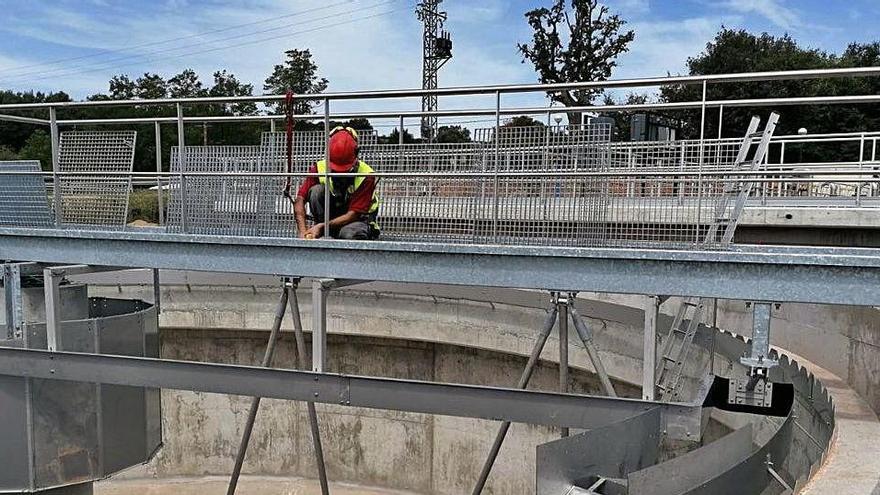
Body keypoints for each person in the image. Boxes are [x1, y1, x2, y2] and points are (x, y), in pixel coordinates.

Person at [294, 126, 380, 240]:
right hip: (329, 222)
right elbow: (300, 200)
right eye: (335, 170)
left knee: (349, 234)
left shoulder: (366, 175)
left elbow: (353, 215)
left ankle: (330, 234)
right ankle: (325, 233)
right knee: (316, 191)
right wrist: (302, 231)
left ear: (356, 156)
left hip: (358, 221)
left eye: (344, 170)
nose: (339, 173)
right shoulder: (319, 167)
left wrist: (322, 226)